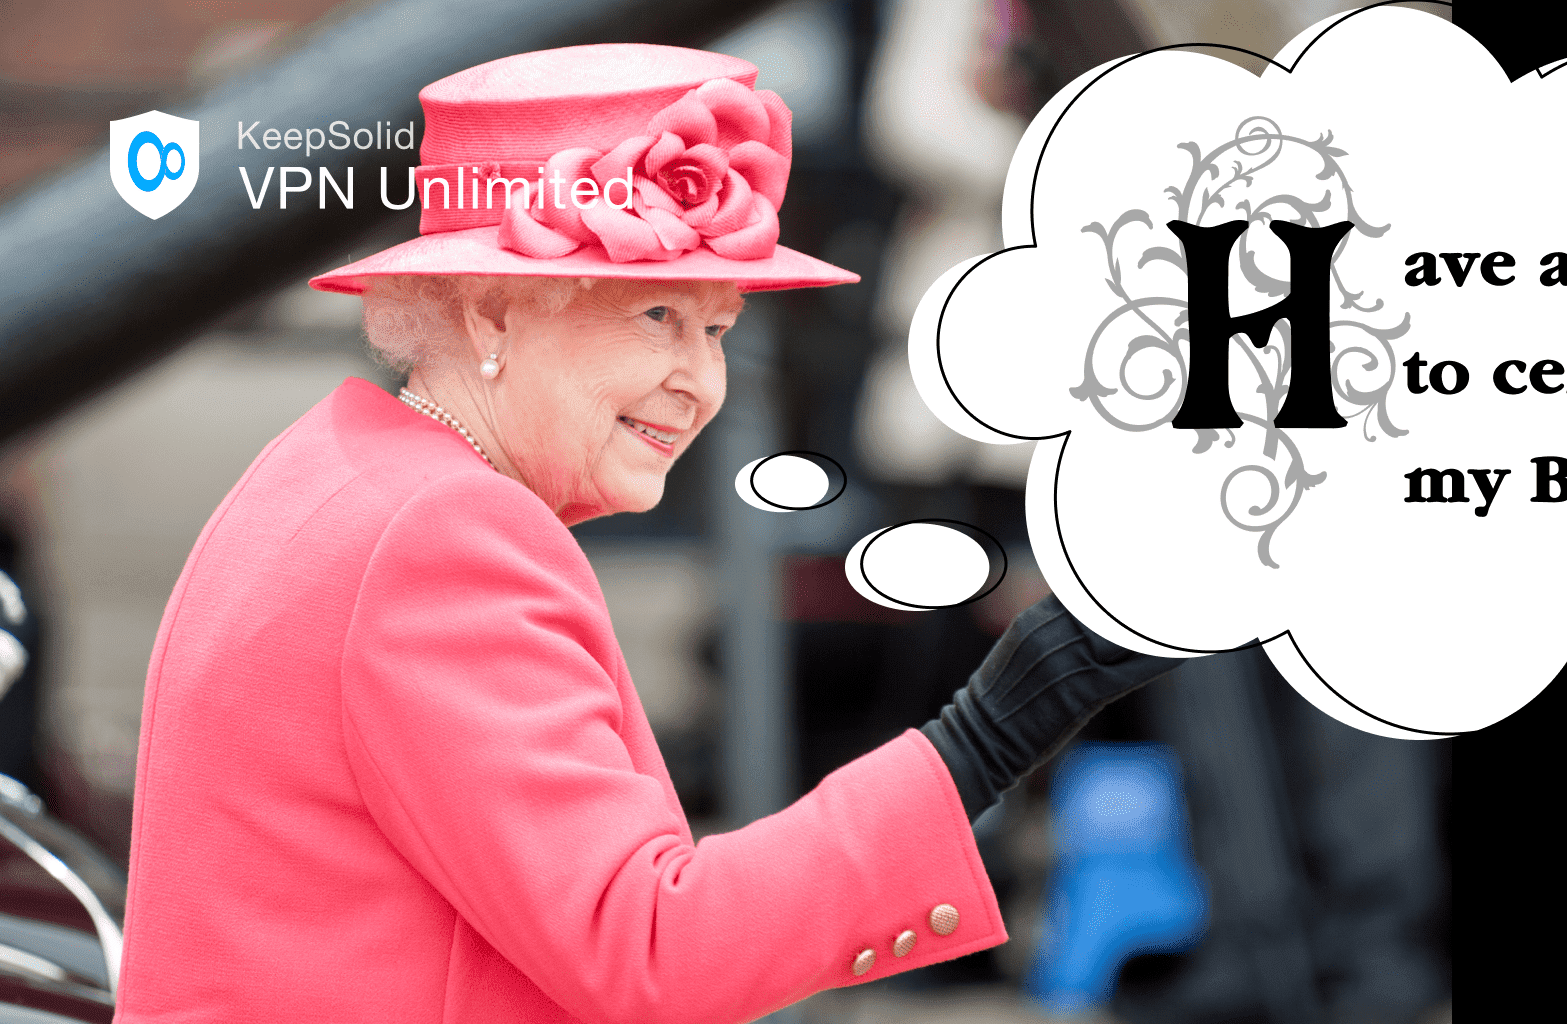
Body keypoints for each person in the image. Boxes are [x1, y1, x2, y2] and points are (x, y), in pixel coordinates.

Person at [117, 44, 1171, 1024]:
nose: (699, 383)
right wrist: (986, 732)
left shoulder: (345, 471)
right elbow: (653, 948)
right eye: (652, 317)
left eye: (714, 327)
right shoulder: (445, 534)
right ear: (488, 315)